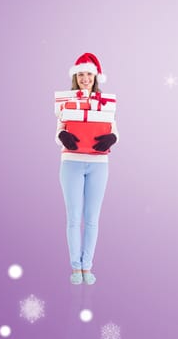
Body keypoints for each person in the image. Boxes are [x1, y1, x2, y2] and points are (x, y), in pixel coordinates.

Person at [56, 52, 119, 285]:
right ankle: (75, 267)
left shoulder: (106, 104)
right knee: (73, 218)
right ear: (76, 77)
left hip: (98, 164)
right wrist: (61, 135)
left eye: (89, 74)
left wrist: (112, 138)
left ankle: (87, 266)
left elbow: (115, 129)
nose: (85, 78)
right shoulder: (67, 101)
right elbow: (58, 128)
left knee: (92, 218)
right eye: (81, 74)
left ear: (95, 77)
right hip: (71, 163)